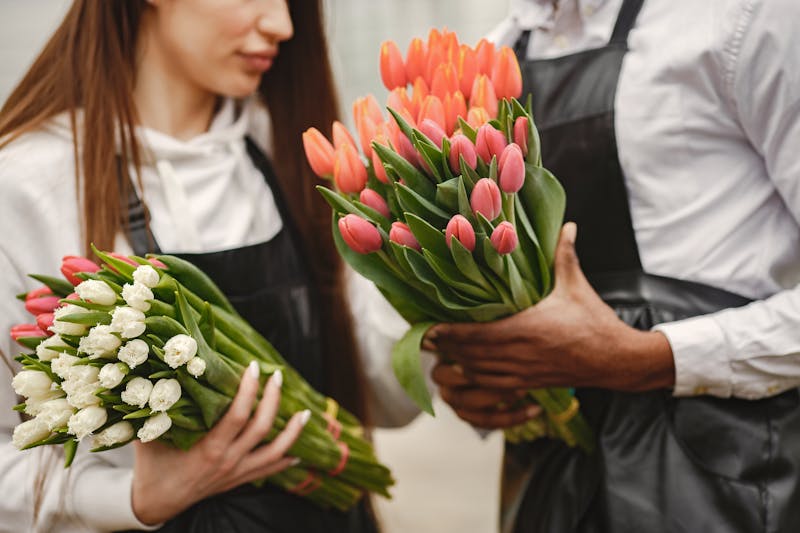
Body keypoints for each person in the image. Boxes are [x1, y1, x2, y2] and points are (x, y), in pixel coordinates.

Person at [0, 0, 416, 531]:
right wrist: (126, 497)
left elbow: (388, 396)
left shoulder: (298, 150)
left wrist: (442, 293)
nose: (283, 25)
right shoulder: (28, 187)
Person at [427, 0, 800, 531]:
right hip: (554, 481)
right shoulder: (496, 54)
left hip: (728, 476)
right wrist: (487, 380)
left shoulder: (745, 17)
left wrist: (652, 359)